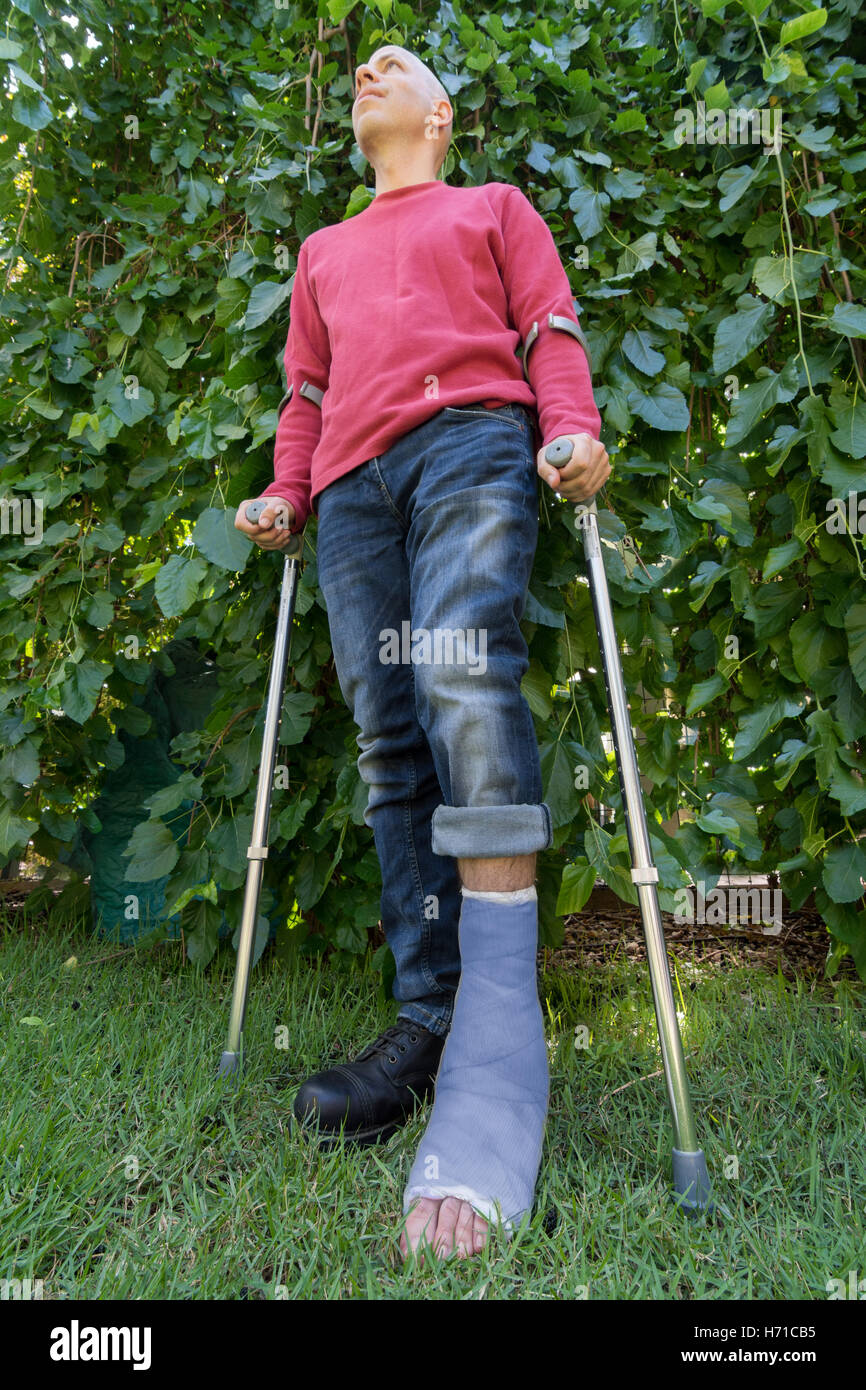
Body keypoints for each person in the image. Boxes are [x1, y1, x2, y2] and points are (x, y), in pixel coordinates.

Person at [235, 43, 610, 1262]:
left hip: (466, 442)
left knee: (457, 667)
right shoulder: (321, 255)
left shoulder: (493, 210)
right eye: (359, 68)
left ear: (440, 117)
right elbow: (304, 391)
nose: (366, 71)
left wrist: (571, 428)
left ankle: (499, 1053)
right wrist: (285, 491)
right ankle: (429, 1020)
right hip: (349, 488)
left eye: (394, 66)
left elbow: (547, 329)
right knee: (390, 743)